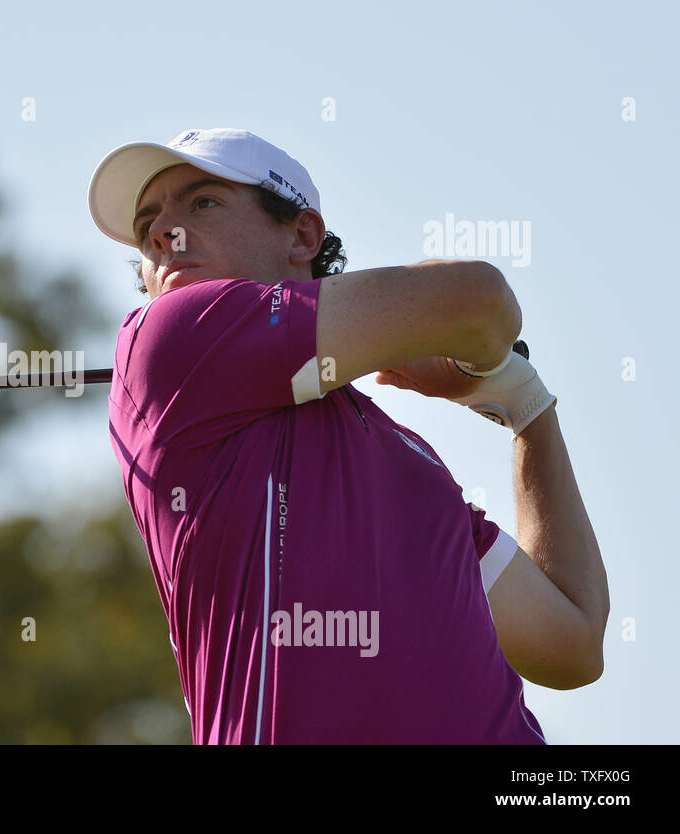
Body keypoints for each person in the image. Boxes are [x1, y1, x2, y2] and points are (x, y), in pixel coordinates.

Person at [87, 128, 610, 743]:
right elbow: (480, 300)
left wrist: (523, 403)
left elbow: (572, 643)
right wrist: (459, 350)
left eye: (203, 203)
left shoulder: (411, 458)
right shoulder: (171, 335)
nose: (161, 233)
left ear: (302, 234)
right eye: (148, 223)